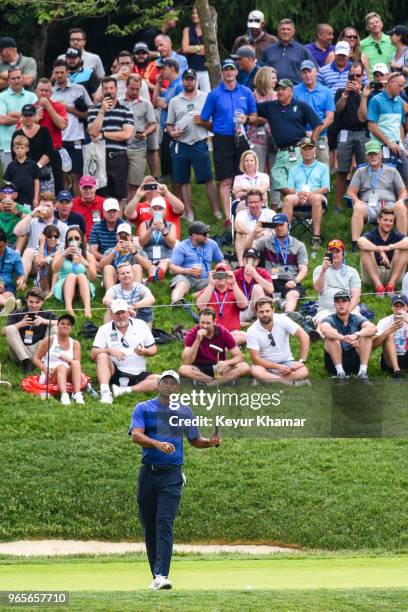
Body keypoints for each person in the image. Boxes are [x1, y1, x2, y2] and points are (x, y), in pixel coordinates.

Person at [129, 369, 220, 591]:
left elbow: (195, 440)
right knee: (149, 527)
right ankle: (156, 576)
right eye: (165, 382)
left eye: (173, 383)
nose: (169, 386)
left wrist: (211, 442)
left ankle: (162, 574)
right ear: (158, 384)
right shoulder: (143, 408)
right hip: (148, 474)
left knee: (164, 524)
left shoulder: (184, 411)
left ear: (177, 387)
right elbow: (136, 435)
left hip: (172, 475)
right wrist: (157, 444)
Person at [196, 58, 257, 224]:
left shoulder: (246, 92)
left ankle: (244, 214)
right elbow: (203, 118)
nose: (229, 72)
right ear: (222, 72)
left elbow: (255, 115)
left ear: (237, 72)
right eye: (226, 70)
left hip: (241, 137)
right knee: (225, 180)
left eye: (232, 69)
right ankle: (228, 217)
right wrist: (216, 128)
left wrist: (246, 119)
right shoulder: (214, 94)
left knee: (242, 177)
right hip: (222, 140)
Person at [166, 68, 221, 221]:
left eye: (192, 79)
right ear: (182, 81)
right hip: (181, 143)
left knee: (208, 178)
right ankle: (189, 212)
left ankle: (216, 210)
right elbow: (169, 124)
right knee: (183, 180)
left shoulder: (206, 97)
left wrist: (204, 122)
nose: (189, 82)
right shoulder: (174, 101)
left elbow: (215, 123)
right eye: (187, 79)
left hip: (199, 142)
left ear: (196, 80)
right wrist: (172, 133)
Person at [256, 79, 321, 195]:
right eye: (278, 89)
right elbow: (251, 106)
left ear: (291, 91)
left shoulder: (301, 106)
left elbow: (317, 125)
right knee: (276, 177)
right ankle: (297, 198)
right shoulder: (270, 106)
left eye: (283, 89)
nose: (280, 92)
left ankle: (301, 205)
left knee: (297, 181)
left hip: (297, 150)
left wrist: (311, 143)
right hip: (280, 152)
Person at [91, 298, 159, 404]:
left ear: (128, 311)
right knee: (102, 356)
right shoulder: (104, 329)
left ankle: (124, 390)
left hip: (139, 372)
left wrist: (145, 352)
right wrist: (109, 350)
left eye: (123, 312)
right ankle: (105, 392)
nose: (120, 316)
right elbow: (93, 353)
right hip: (115, 371)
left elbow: (153, 348)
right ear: (112, 315)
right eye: (117, 313)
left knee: (166, 380)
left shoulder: (141, 325)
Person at [348, 140, 407, 249]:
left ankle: (403, 243)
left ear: (381, 154)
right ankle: (355, 244)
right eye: (370, 154)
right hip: (368, 206)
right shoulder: (360, 171)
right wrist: (357, 201)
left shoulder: (392, 170)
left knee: (400, 207)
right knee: (358, 207)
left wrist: (400, 200)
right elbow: (351, 191)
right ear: (366, 156)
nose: (373, 157)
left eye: (375, 154)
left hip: (389, 206)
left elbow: (403, 191)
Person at [245, 213, 308, 312]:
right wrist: (254, 232)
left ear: (288, 225)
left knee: (293, 294)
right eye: (275, 225)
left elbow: (304, 269)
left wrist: (295, 281)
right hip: (269, 280)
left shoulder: (299, 245)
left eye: (281, 225)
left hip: (289, 280)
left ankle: (288, 314)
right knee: (259, 289)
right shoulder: (265, 242)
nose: (278, 228)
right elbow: (248, 250)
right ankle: (265, 313)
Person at [87, 77, 134, 202]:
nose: (109, 91)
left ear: (116, 89)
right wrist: (102, 111)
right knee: (99, 195)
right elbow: (92, 132)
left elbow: (126, 134)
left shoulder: (126, 111)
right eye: (105, 88)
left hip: (119, 157)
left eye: (111, 88)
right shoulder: (94, 111)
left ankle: (120, 221)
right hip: (99, 158)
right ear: (102, 90)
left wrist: (104, 135)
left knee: (120, 196)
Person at [51, 59, 92, 194]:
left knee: (76, 175)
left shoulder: (79, 90)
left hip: (75, 138)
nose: (59, 75)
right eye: (57, 72)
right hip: (58, 140)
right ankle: (64, 204)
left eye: (62, 72)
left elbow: (89, 115)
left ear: (67, 73)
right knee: (62, 175)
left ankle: (76, 206)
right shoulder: (51, 92)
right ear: (53, 73)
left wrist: (67, 108)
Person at [248, 297, 310, 385]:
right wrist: (278, 367)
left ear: (273, 310)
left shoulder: (283, 319)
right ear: (256, 313)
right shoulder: (252, 330)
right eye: (261, 312)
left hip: (287, 362)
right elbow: (256, 359)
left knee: (304, 371)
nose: (265, 314)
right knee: (255, 370)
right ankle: (290, 383)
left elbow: (304, 336)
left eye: (267, 311)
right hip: (265, 365)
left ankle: (268, 380)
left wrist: (301, 361)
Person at [179, 307, 250, 384]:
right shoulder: (192, 333)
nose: (205, 326)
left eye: (208, 323)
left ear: (214, 322)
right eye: (202, 322)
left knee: (244, 367)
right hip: (199, 367)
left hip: (218, 368)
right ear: (199, 321)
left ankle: (212, 384)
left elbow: (239, 357)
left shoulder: (223, 332)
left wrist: (227, 363)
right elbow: (186, 362)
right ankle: (214, 382)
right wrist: (197, 340)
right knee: (183, 369)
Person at [334, 61, 370, 213]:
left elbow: (366, 116)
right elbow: (337, 110)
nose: (355, 78)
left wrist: (361, 94)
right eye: (352, 75)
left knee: (365, 169)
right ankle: (337, 205)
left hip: (362, 132)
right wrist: (345, 96)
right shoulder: (341, 91)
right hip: (345, 132)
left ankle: (364, 203)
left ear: (363, 76)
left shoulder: (367, 92)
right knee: (342, 170)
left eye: (358, 75)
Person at [283, 136, 330, 248]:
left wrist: (311, 194)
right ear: (301, 151)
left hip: (316, 196)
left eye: (310, 148)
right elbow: (290, 189)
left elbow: (325, 188)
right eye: (305, 149)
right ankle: (285, 236)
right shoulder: (294, 169)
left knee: (316, 198)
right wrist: (299, 194)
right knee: (288, 199)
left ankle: (316, 237)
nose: (307, 151)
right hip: (298, 196)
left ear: (314, 150)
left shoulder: (323, 167)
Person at [320, 290, 377, 380]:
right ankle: (340, 373)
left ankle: (362, 372)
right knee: (331, 338)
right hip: (334, 363)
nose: (341, 304)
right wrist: (343, 338)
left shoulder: (357, 318)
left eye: (344, 301)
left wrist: (357, 334)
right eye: (338, 302)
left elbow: (373, 328)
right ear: (334, 305)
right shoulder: (329, 319)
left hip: (355, 360)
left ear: (349, 303)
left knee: (367, 335)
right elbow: (325, 330)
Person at [13, 192, 68, 283]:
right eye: (42, 206)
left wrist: (47, 260)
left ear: (54, 207)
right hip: (35, 262)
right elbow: (17, 232)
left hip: (51, 264)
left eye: (48, 206)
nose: (44, 209)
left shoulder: (62, 227)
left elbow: (63, 251)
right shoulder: (33, 221)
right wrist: (31, 214)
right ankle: (21, 282)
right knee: (29, 251)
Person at [2, 287, 57, 374]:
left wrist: (45, 321)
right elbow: (3, 331)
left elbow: (62, 323)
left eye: (37, 302)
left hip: (39, 350)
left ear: (42, 302)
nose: (34, 305)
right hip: (20, 351)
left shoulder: (47, 313)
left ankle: (42, 359)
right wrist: (21, 324)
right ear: (26, 300)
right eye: (31, 302)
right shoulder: (18, 312)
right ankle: (26, 361)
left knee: (55, 328)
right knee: (10, 328)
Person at [33, 313, 84, 405]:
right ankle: (64, 396)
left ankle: (77, 394)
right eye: (62, 323)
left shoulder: (75, 343)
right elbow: (36, 358)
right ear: (57, 325)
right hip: (51, 374)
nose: (65, 326)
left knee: (75, 363)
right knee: (61, 367)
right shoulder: (50, 340)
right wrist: (44, 368)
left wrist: (68, 360)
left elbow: (77, 365)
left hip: (67, 373)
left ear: (71, 328)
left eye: (68, 324)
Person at [120, 74, 157, 199]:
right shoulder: (118, 102)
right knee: (120, 184)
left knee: (134, 185)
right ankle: (122, 213)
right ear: (126, 86)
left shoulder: (146, 104)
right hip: (120, 148)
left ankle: (129, 215)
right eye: (132, 88)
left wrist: (145, 133)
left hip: (138, 148)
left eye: (137, 89)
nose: (135, 91)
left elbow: (153, 124)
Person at [169, 221, 223, 305]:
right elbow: (172, 268)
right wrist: (188, 271)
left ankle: (193, 296)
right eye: (204, 234)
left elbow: (221, 261)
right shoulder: (181, 247)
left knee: (223, 278)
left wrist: (218, 271)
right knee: (181, 284)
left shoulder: (212, 244)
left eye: (207, 233)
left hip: (206, 278)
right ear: (194, 236)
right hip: (187, 277)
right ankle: (176, 302)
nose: (207, 236)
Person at [367, 72, 407, 182]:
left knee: (405, 177)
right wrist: (389, 143)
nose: (402, 89)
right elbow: (371, 126)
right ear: (391, 83)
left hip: (397, 147)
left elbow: (399, 126)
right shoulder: (376, 100)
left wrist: (402, 145)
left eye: (403, 86)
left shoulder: (399, 101)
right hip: (380, 148)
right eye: (400, 86)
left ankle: (403, 199)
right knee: (384, 181)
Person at [358, 208, 408, 296]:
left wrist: (389, 247)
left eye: (391, 221)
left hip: (393, 274)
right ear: (378, 220)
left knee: (403, 249)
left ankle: (390, 286)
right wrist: (378, 250)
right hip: (373, 274)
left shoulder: (396, 235)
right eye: (385, 220)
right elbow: (360, 242)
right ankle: (379, 287)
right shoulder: (371, 234)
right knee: (365, 250)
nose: (388, 223)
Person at [293, 60, 335, 165]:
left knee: (323, 165)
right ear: (301, 74)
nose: (307, 75)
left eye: (309, 71)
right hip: (300, 135)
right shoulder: (294, 91)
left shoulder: (326, 91)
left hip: (321, 135)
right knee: (300, 166)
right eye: (304, 72)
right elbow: (291, 114)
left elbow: (330, 117)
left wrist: (315, 131)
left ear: (316, 72)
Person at [196, 263, 248, 345]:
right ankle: (225, 345)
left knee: (245, 336)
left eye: (223, 274)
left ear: (229, 275)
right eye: (218, 274)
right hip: (212, 331)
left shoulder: (235, 290)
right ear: (214, 275)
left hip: (232, 332)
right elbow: (200, 306)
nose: (221, 277)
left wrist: (234, 283)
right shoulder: (208, 290)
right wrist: (211, 284)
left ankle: (221, 345)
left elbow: (244, 305)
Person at [313, 239, 361, 325]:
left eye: (337, 251)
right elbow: (318, 290)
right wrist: (323, 271)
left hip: (348, 308)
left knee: (358, 323)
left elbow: (356, 296)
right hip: (326, 309)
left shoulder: (352, 271)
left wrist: (347, 312)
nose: (334, 254)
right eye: (331, 252)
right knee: (323, 324)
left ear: (343, 254)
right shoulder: (319, 269)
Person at [52, 225, 96, 318]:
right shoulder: (61, 253)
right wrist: (64, 254)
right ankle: (68, 307)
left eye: (76, 238)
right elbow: (55, 270)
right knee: (71, 275)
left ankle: (87, 308)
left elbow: (93, 278)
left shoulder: (88, 256)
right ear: (67, 242)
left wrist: (85, 263)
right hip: (65, 284)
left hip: (82, 287)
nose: (73, 241)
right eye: (70, 239)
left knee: (81, 275)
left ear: (80, 241)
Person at [11, 103, 54, 193]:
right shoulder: (17, 134)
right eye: (25, 115)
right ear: (21, 117)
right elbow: (14, 155)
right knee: (27, 204)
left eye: (30, 115)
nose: (28, 117)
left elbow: (49, 153)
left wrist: (34, 168)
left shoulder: (44, 131)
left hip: (43, 173)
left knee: (45, 203)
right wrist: (27, 171)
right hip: (24, 175)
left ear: (35, 116)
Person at [35, 78, 68, 195]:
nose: (44, 93)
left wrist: (49, 107)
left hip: (54, 153)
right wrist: (34, 120)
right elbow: (19, 131)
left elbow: (62, 125)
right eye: (41, 90)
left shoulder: (58, 107)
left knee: (57, 189)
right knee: (35, 188)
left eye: (47, 91)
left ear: (51, 93)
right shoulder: (30, 108)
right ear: (36, 91)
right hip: (35, 154)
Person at [0, 67, 37, 172]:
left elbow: (37, 118)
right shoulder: (1, 97)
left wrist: (12, 114)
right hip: (7, 145)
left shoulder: (32, 96)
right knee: (8, 184)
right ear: (8, 81)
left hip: (29, 145)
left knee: (28, 181)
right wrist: (26, 117)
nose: (16, 80)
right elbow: (2, 119)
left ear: (23, 78)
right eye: (13, 78)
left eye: (18, 77)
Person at [153, 58, 183, 184]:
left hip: (175, 129)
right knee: (168, 168)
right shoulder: (170, 85)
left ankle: (179, 199)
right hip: (167, 128)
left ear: (172, 68)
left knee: (175, 170)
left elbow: (178, 106)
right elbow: (155, 101)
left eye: (164, 68)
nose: (161, 72)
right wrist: (159, 83)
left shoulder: (179, 85)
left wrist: (165, 104)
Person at [261, 18, 317, 84]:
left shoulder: (302, 50)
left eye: (288, 29)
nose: (285, 32)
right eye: (283, 29)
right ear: (278, 31)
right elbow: (261, 70)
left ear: (293, 32)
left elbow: (314, 69)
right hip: (272, 90)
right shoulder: (269, 50)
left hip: (294, 91)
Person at [103, 261, 155, 326]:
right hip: (120, 315)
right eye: (122, 273)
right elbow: (106, 300)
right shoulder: (114, 289)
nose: (126, 275)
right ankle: (109, 333)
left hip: (137, 314)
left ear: (133, 275)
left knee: (147, 308)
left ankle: (146, 334)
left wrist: (134, 306)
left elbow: (151, 299)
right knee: (110, 309)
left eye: (128, 273)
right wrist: (125, 307)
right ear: (118, 277)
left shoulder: (140, 287)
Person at [246, 67, 277, 175]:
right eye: (273, 78)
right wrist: (261, 120)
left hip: (275, 141)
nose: (275, 80)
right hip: (257, 141)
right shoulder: (251, 96)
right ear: (265, 78)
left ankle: (275, 193)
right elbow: (248, 118)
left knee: (275, 174)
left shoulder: (277, 96)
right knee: (256, 173)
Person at [137, 196, 177, 282]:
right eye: (155, 208)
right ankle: (156, 275)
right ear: (151, 211)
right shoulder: (144, 224)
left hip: (165, 258)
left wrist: (164, 230)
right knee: (145, 261)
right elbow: (142, 243)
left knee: (165, 261)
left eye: (160, 209)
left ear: (165, 211)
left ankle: (154, 275)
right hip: (148, 259)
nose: (157, 211)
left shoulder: (171, 225)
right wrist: (150, 230)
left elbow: (172, 244)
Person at [234, 189, 275, 266]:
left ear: (262, 202)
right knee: (239, 235)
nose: (253, 205)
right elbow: (237, 226)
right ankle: (241, 265)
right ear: (247, 203)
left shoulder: (270, 213)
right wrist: (253, 233)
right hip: (249, 243)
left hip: (266, 243)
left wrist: (269, 233)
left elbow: (277, 228)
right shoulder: (242, 214)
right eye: (250, 202)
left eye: (256, 202)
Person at [234, 247, 274, 325]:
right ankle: (252, 323)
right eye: (247, 260)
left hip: (256, 309)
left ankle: (260, 321)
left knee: (257, 288)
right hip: (240, 310)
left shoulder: (263, 272)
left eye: (253, 260)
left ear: (257, 262)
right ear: (243, 260)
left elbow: (271, 290)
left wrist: (255, 275)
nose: (250, 263)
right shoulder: (235, 273)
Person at [99, 221, 144, 288]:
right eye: (121, 235)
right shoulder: (111, 250)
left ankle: (135, 295)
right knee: (108, 268)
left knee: (137, 267)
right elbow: (101, 266)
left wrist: (134, 251)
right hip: (115, 279)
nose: (123, 237)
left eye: (126, 235)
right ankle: (110, 296)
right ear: (117, 237)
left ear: (131, 236)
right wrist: (114, 251)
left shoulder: (137, 249)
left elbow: (148, 266)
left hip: (130, 278)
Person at [373, 293, 408, 379]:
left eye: (402, 306)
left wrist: (406, 320)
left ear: (407, 308)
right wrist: (389, 331)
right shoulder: (384, 321)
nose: (398, 309)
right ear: (391, 308)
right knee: (388, 335)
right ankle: (397, 372)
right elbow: (374, 345)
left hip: (406, 356)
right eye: (396, 306)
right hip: (389, 360)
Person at [3, 135, 40, 207]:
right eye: (17, 148)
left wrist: (36, 198)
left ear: (27, 149)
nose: (19, 150)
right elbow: (7, 183)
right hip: (14, 199)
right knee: (15, 216)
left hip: (29, 198)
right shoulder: (11, 165)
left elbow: (36, 182)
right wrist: (8, 198)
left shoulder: (33, 164)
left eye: (22, 148)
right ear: (13, 149)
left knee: (28, 216)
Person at [181, 6, 210, 92]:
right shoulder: (187, 30)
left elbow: (208, 51)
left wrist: (192, 50)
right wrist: (200, 48)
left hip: (205, 69)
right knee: (190, 93)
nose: (194, 15)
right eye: (193, 13)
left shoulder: (208, 30)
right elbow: (185, 49)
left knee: (207, 95)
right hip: (191, 70)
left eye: (196, 13)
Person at [89, 198, 124, 267]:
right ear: (104, 212)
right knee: (90, 258)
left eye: (114, 211)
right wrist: (107, 259)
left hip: (120, 259)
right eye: (109, 211)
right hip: (102, 259)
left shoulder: (124, 226)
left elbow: (126, 249)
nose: (112, 214)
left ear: (118, 212)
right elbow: (93, 251)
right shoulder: (96, 227)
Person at [0, 228, 25, 314]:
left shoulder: (14, 255)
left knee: (9, 295)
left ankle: (7, 305)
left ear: (6, 242)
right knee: (8, 298)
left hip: (7, 285)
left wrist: (20, 281)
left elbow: (20, 275)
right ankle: (12, 305)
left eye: (1, 247)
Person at [0, 181, 31, 250]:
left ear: (15, 195)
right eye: (4, 191)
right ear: (0, 195)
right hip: (0, 242)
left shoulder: (20, 208)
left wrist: (16, 212)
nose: (7, 194)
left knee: (23, 233)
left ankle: (16, 255)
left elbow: (34, 219)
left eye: (10, 192)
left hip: (15, 243)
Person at [34, 224, 61, 296]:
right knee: (43, 265)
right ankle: (47, 290)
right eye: (50, 236)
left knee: (51, 263)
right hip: (44, 278)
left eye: (55, 236)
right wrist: (42, 244)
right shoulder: (39, 247)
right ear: (45, 237)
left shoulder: (60, 246)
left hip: (57, 275)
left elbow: (57, 260)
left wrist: (45, 260)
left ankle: (52, 291)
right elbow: (38, 263)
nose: (53, 239)